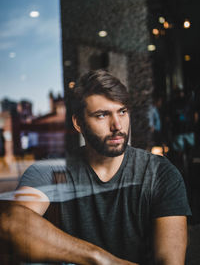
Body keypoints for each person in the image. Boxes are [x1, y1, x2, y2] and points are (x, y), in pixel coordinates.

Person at [0, 70, 191, 265]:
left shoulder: (160, 173)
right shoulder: (52, 171)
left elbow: (171, 261)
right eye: (102, 115)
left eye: (122, 112)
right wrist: (100, 259)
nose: (117, 125)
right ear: (79, 123)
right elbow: (10, 222)